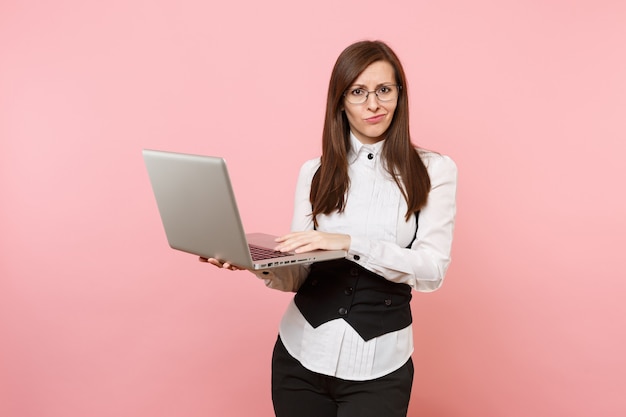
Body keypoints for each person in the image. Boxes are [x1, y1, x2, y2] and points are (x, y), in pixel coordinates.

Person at [201, 40, 457, 417]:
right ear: (340, 101)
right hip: (299, 356)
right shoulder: (314, 172)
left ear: (400, 95)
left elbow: (432, 271)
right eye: (358, 92)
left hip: (380, 366)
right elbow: (298, 274)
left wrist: (349, 242)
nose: (374, 104)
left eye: (384, 90)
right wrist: (254, 264)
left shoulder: (434, 170)